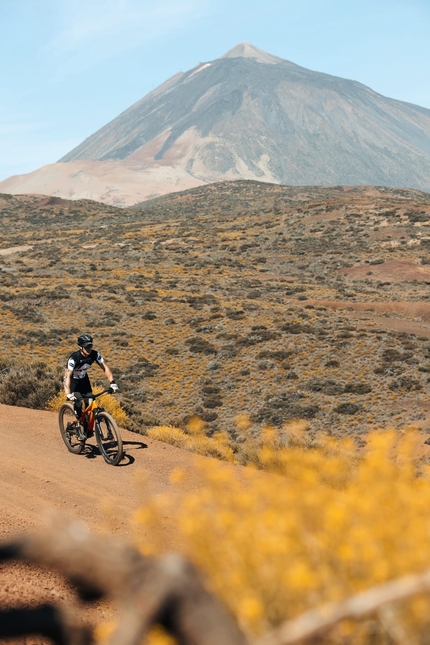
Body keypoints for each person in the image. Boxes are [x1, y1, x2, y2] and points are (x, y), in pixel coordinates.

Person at [64, 333, 119, 439]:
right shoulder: (74, 358)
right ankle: (78, 427)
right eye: (86, 347)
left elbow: (105, 368)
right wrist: (68, 394)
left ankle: (87, 429)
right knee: (78, 402)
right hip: (73, 381)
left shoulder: (95, 354)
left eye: (90, 346)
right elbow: (68, 376)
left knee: (90, 402)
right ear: (80, 347)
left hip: (84, 379)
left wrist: (112, 382)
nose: (89, 349)